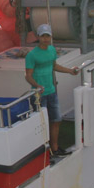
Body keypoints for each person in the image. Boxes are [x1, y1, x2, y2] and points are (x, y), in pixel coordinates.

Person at [24, 23, 80, 156]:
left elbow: (54, 66)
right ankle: (42, 152)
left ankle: (54, 148)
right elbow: (28, 76)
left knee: (56, 120)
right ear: (38, 37)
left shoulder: (52, 50)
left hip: (51, 92)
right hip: (38, 95)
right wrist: (37, 86)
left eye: (47, 36)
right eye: (43, 36)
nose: (45, 39)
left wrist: (70, 71)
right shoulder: (31, 55)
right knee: (41, 123)